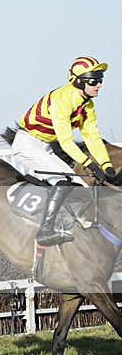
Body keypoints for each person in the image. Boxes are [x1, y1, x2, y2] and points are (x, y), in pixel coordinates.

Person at [11, 56, 115, 246]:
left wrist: (107, 165)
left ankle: (69, 228)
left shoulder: (88, 105)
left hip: (44, 147)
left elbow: (92, 137)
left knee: (80, 189)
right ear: (79, 81)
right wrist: (90, 164)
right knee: (63, 182)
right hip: (26, 144)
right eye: (93, 81)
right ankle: (44, 230)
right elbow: (66, 141)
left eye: (100, 80)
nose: (98, 85)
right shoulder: (62, 99)